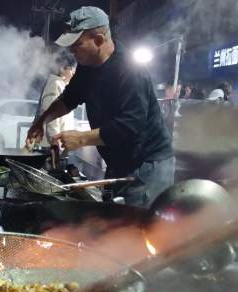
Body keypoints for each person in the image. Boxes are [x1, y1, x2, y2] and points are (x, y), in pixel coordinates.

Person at [26, 6, 174, 208]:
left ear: (98, 40)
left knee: (135, 229)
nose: (71, 51)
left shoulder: (129, 69)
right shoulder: (87, 67)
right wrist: (41, 122)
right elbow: (69, 98)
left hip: (146, 165)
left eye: (76, 44)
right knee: (112, 220)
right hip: (118, 162)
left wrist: (80, 138)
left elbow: (130, 126)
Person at [37, 57, 76, 145]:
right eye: (71, 69)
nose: (74, 72)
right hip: (53, 147)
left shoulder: (63, 85)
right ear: (62, 69)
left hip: (60, 145)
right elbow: (51, 117)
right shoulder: (55, 84)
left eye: (75, 69)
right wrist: (55, 143)